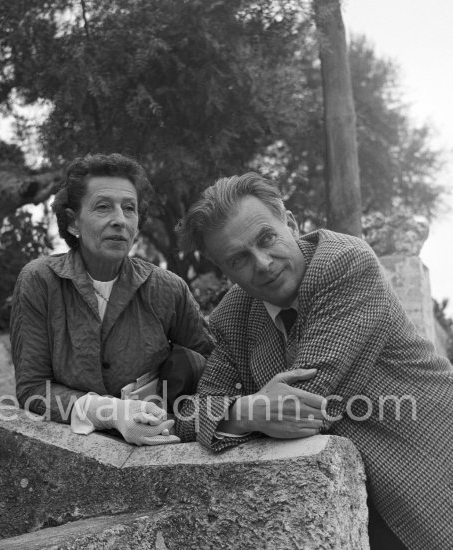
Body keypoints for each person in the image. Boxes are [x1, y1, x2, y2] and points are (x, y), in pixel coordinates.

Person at [174, 172, 453, 550]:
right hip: (348, 499)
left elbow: (308, 403)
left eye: (267, 238)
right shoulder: (231, 317)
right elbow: (191, 416)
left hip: (428, 471)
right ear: (224, 271)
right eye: (239, 258)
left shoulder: (346, 264)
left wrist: (243, 407)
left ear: (290, 223)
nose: (262, 263)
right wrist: (249, 412)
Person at [10, 153, 213, 446]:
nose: (120, 220)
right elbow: (32, 389)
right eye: (103, 207)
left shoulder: (168, 288)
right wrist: (111, 412)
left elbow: (215, 359)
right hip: (73, 453)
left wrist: (184, 415)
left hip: (158, 446)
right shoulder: (39, 281)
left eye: (129, 209)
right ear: (72, 222)